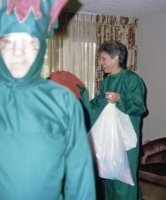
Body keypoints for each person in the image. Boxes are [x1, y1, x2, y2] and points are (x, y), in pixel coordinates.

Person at [0, 1, 96, 200]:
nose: (18, 52)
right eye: (9, 42)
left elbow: (79, 173)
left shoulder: (63, 101)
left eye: (30, 43)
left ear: (42, 46)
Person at [80, 40, 147, 200]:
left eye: (103, 58)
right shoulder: (107, 80)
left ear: (116, 57)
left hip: (126, 140)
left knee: (124, 179)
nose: (100, 63)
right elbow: (98, 105)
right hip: (109, 138)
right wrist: (80, 104)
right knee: (108, 174)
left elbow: (139, 107)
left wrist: (120, 98)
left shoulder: (132, 79)